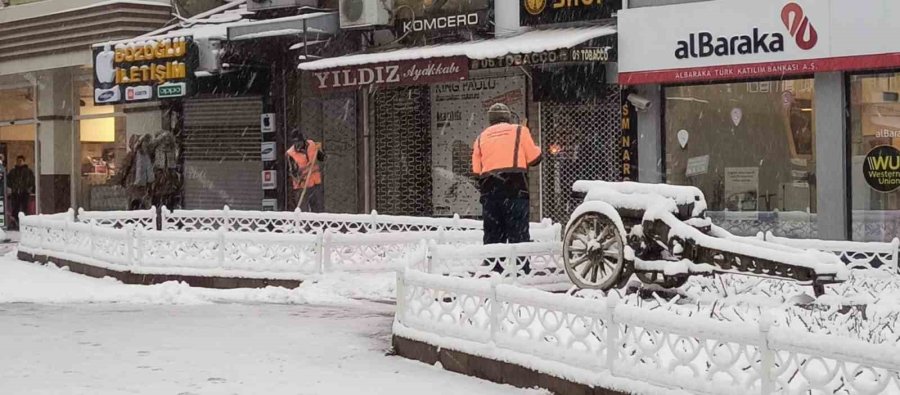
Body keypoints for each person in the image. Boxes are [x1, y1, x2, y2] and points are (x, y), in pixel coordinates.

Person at [472, 103, 542, 274]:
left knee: (493, 235)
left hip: (490, 193)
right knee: (518, 234)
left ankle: (494, 270)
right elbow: (535, 158)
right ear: (508, 117)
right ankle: (521, 271)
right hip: (515, 190)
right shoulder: (520, 131)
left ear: (490, 120)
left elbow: (476, 170)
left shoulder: (480, 138)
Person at [286, 129, 326, 212]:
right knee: (303, 210)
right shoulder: (291, 154)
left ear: (303, 140)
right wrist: (300, 179)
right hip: (301, 186)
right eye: (295, 142)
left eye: (299, 142)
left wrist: (319, 150)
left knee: (318, 208)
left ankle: (317, 224)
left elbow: (322, 158)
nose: (297, 145)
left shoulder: (311, 145)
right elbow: (293, 172)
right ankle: (303, 224)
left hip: (315, 183)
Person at [7, 156, 35, 229]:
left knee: (24, 208)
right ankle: (15, 223)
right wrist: (13, 187)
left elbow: (32, 181)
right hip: (15, 193)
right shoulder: (13, 172)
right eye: (18, 161)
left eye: (21, 161)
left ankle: (24, 224)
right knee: (15, 209)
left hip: (24, 193)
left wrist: (28, 189)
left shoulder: (28, 171)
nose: (19, 162)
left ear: (24, 161)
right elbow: (8, 181)